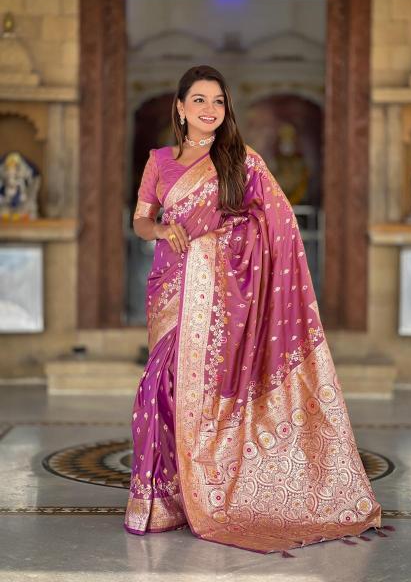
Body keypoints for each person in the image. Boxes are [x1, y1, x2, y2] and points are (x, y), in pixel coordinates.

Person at [124, 65, 381, 554]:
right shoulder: (159, 161)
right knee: (158, 388)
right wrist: (159, 230)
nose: (209, 110)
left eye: (218, 101)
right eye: (199, 100)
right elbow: (141, 220)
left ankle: (211, 491)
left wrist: (215, 245)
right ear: (180, 107)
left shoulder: (242, 162)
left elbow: (274, 223)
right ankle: (162, 500)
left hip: (221, 300)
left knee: (201, 392)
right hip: (170, 290)